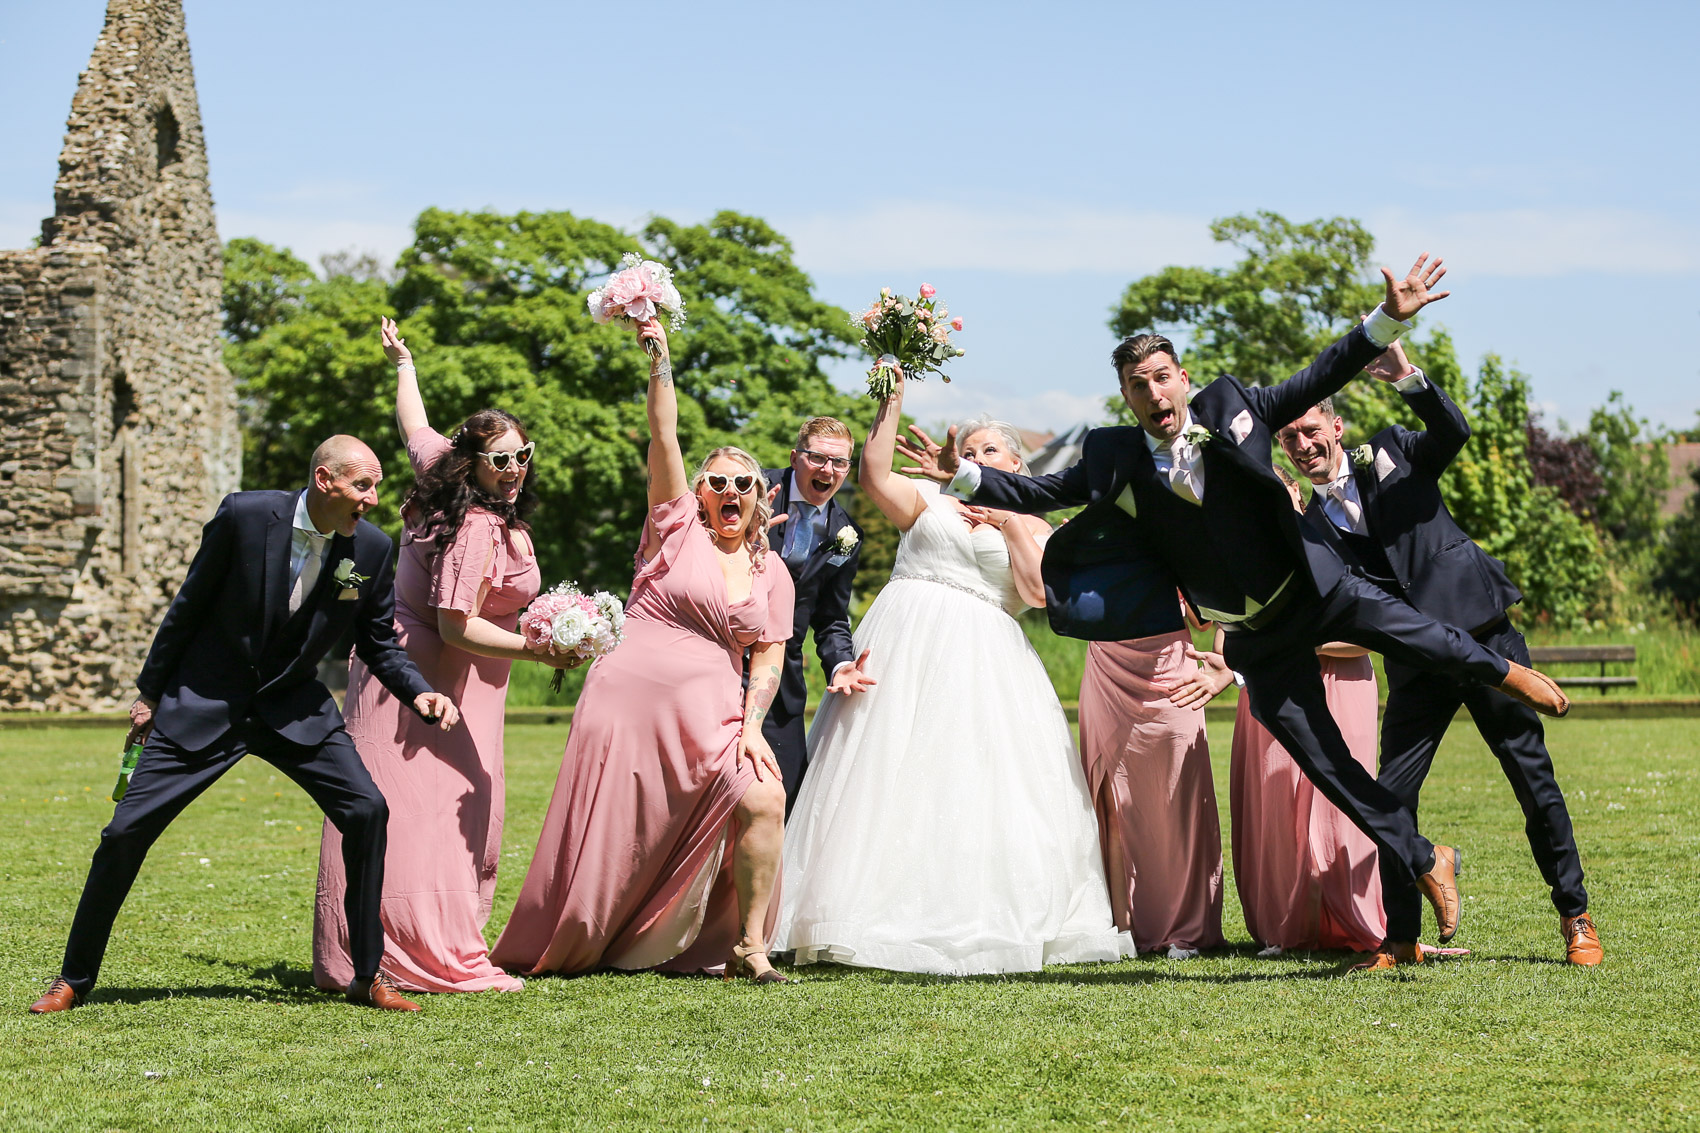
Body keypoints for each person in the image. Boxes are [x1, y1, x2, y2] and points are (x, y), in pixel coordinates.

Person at [919, 253, 1573, 952]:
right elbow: (1044, 492)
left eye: (1163, 376)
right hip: (1257, 636)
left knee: (1417, 632)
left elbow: (1322, 371)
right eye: (1139, 384)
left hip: (1316, 592)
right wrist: (963, 474)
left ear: (1184, 379)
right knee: (1329, 766)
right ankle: (1423, 856)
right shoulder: (1116, 456)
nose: (1154, 392)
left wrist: (1385, 321)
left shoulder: (1235, 406)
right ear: (1127, 395)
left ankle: (1506, 673)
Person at [30, 436, 461, 1015]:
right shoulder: (245, 514)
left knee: (367, 810)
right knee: (123, 834)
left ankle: (366, 976)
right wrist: (150, 695)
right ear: (325, 479)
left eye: (377, 484)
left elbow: (379, 644)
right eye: (364, 484)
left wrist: (421, 693)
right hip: (206, 701)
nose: (375, 498)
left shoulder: (374, 550)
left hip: (296, 710)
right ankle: (74, 980)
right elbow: (189, 605)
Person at [773, 387, 1133, 975]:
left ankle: (966, 911)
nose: (978, 456)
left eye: (992, 449)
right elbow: (873, 475)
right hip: (902, 642)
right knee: (878, 776)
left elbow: (1038, 593)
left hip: (985, 659)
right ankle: (844, 910)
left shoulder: (1039, 527)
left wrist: (1009, 516)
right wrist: (890, 396)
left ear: (1017, 464)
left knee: (968, 781)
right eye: (970, 449)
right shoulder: (930, 502)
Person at [1276, 335, 1601, 968]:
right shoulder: (1307, 528)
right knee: (1392, 799)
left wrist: (1408, 377)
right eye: (1288, 437)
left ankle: (1576, 917)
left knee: (1532, 779)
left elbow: (1452, 431)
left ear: (1335, 425)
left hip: (1484, 634)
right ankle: (1399, 939)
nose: (1303, 443)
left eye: (1310, 428)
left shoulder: (1394, 449)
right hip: (1415, 666)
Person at [489, 317, 796, 983]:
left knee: (763, 798)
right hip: (627, 701)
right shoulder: (674, 525)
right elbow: (665, 434)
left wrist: (750, 726)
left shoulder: (772, 572)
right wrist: (659, 360)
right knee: (615, 837)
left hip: (712, 713)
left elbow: (768, 654)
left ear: (761, 497)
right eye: (715, 481)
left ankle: (749, 945)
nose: (728, 493)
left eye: (743, 484)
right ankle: (586, 935)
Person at [313, 319, 575, 995]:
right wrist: (541, 647)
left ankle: (364, 949)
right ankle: (416, 952)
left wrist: (404, 363)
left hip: (410, 671)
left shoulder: (441, 470)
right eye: (501, 460)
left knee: (427, 805)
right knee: (422, 810)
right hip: (430, 675)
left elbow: (413, 425)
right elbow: (457, 625)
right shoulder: (477, 528)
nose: (514, 470)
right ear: (474, 464)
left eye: (523, 455)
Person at [1227, 468, 1384, 955]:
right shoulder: (1244, 556)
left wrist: (1290, 638)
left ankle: (1357, 917)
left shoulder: (1336, 536)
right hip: (1271, 685)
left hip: (1342, 682)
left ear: (1293, 491)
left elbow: (1369, 631)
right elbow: (1231, 628)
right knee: (1277, 808)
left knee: (1342, 807)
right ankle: (1287, 923)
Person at [1072, 588, 1227, 959]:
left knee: (1179, 799)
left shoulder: (1174, 536)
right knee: (1114, 800)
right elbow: (1070, 611)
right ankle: (1123, 925)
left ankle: (1185, 928)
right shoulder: (1093, 540)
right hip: (1109, 666)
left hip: (1171, 665)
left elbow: (1205, 618)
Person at [762, 418, 872, 816]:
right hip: (715, 661)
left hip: (780, 678)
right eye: (817, 458)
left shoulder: (848, 535)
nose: (828, 470)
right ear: (795, 458)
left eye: (839, 463)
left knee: (786, 796)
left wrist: (841, 662)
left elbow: (830, 617)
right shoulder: (751, 489)